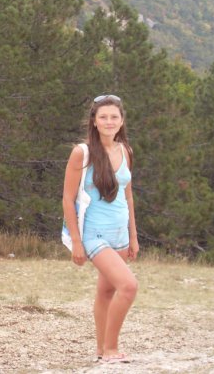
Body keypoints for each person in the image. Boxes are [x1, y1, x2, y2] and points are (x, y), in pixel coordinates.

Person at [62, 94, 139, 364]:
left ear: (122, 121)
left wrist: (133, 236)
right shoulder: (82, 153)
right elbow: (68, 199)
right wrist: (76, 242)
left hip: (120, 234)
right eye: (103, 117)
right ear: (94, 121)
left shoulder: (126, 151)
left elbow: (128, 196)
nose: (109, 121)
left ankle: (100, 350)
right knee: (128, 286)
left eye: (114, 117)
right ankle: (111, 349)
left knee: (107, 292)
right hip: (94, 235)